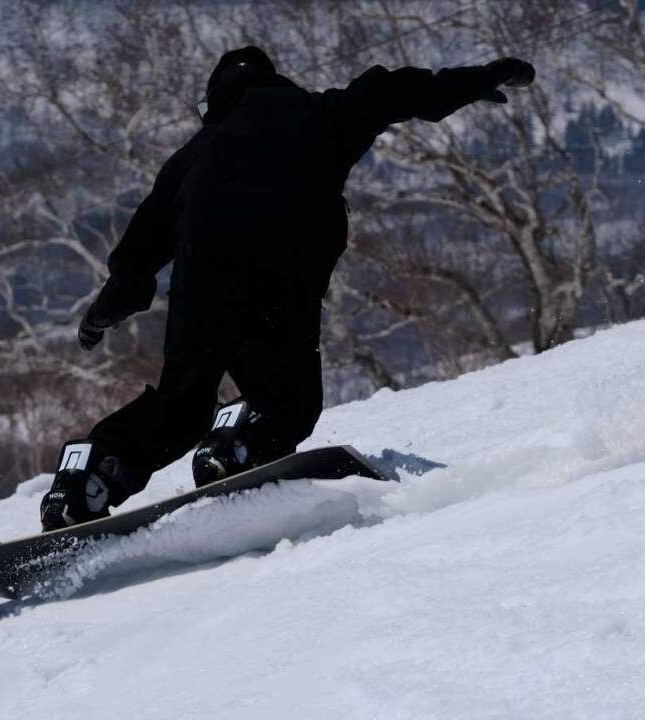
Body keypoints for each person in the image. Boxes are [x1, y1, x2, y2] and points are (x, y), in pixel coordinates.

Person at [39, 47, 536, 530]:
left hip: (203, 281)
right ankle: (237, 447)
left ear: (212, 102)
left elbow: (141, 245)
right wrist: (473, 81)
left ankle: (86, 477)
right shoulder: (317, 111)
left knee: (182, 402)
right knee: (288, 403)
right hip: (282, 271)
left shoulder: (191, 157)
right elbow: (390, 89)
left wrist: (110, 305)